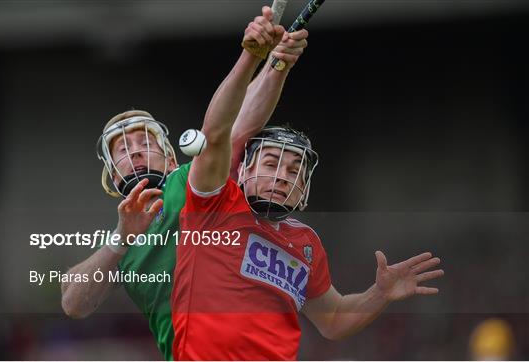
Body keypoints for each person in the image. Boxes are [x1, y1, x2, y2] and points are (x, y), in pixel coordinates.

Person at [171, 16, 445, 362]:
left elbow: (332, 319)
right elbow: (217, 133)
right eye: (272, 164)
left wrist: (379, 294)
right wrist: (252, 58)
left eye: (294, 170)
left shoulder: (306, 244)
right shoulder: (213, 206)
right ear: (243, 169)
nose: (283, 176)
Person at [60, 7, 309, 360]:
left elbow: (234, 129)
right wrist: (120, 239)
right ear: (113, 177)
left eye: (145, 141)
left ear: (173, 158)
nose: (136, 151)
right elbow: (73, 304)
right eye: (123, 148)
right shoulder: (120, 241)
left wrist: (274, 64)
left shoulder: (190, 183)